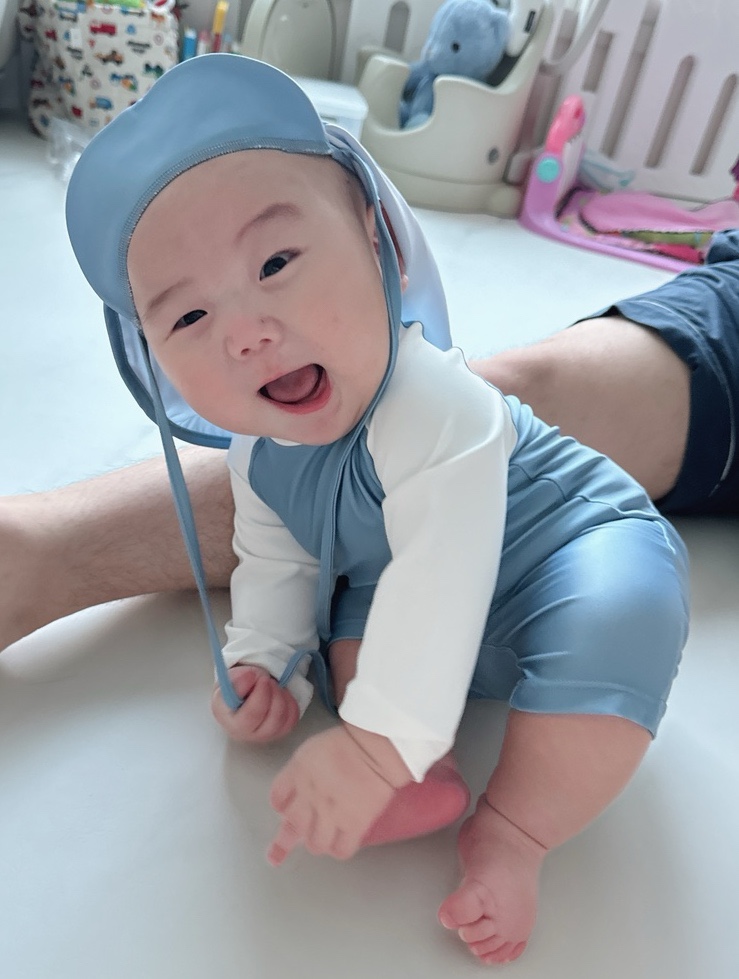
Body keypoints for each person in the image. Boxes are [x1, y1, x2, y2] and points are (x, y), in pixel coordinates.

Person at [59, 54, 690, 967]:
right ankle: (422, 772)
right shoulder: (257, 453)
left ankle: (512, 830)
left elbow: (441, 569)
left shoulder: (433, 403)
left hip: (561, 551)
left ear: (377, 242)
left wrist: (371, 746)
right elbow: (276, 558)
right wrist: (266, 659)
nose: (246, 332)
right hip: (410, 585)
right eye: (188, 319)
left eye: (276, 262)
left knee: (623, 611)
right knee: (347, 621)